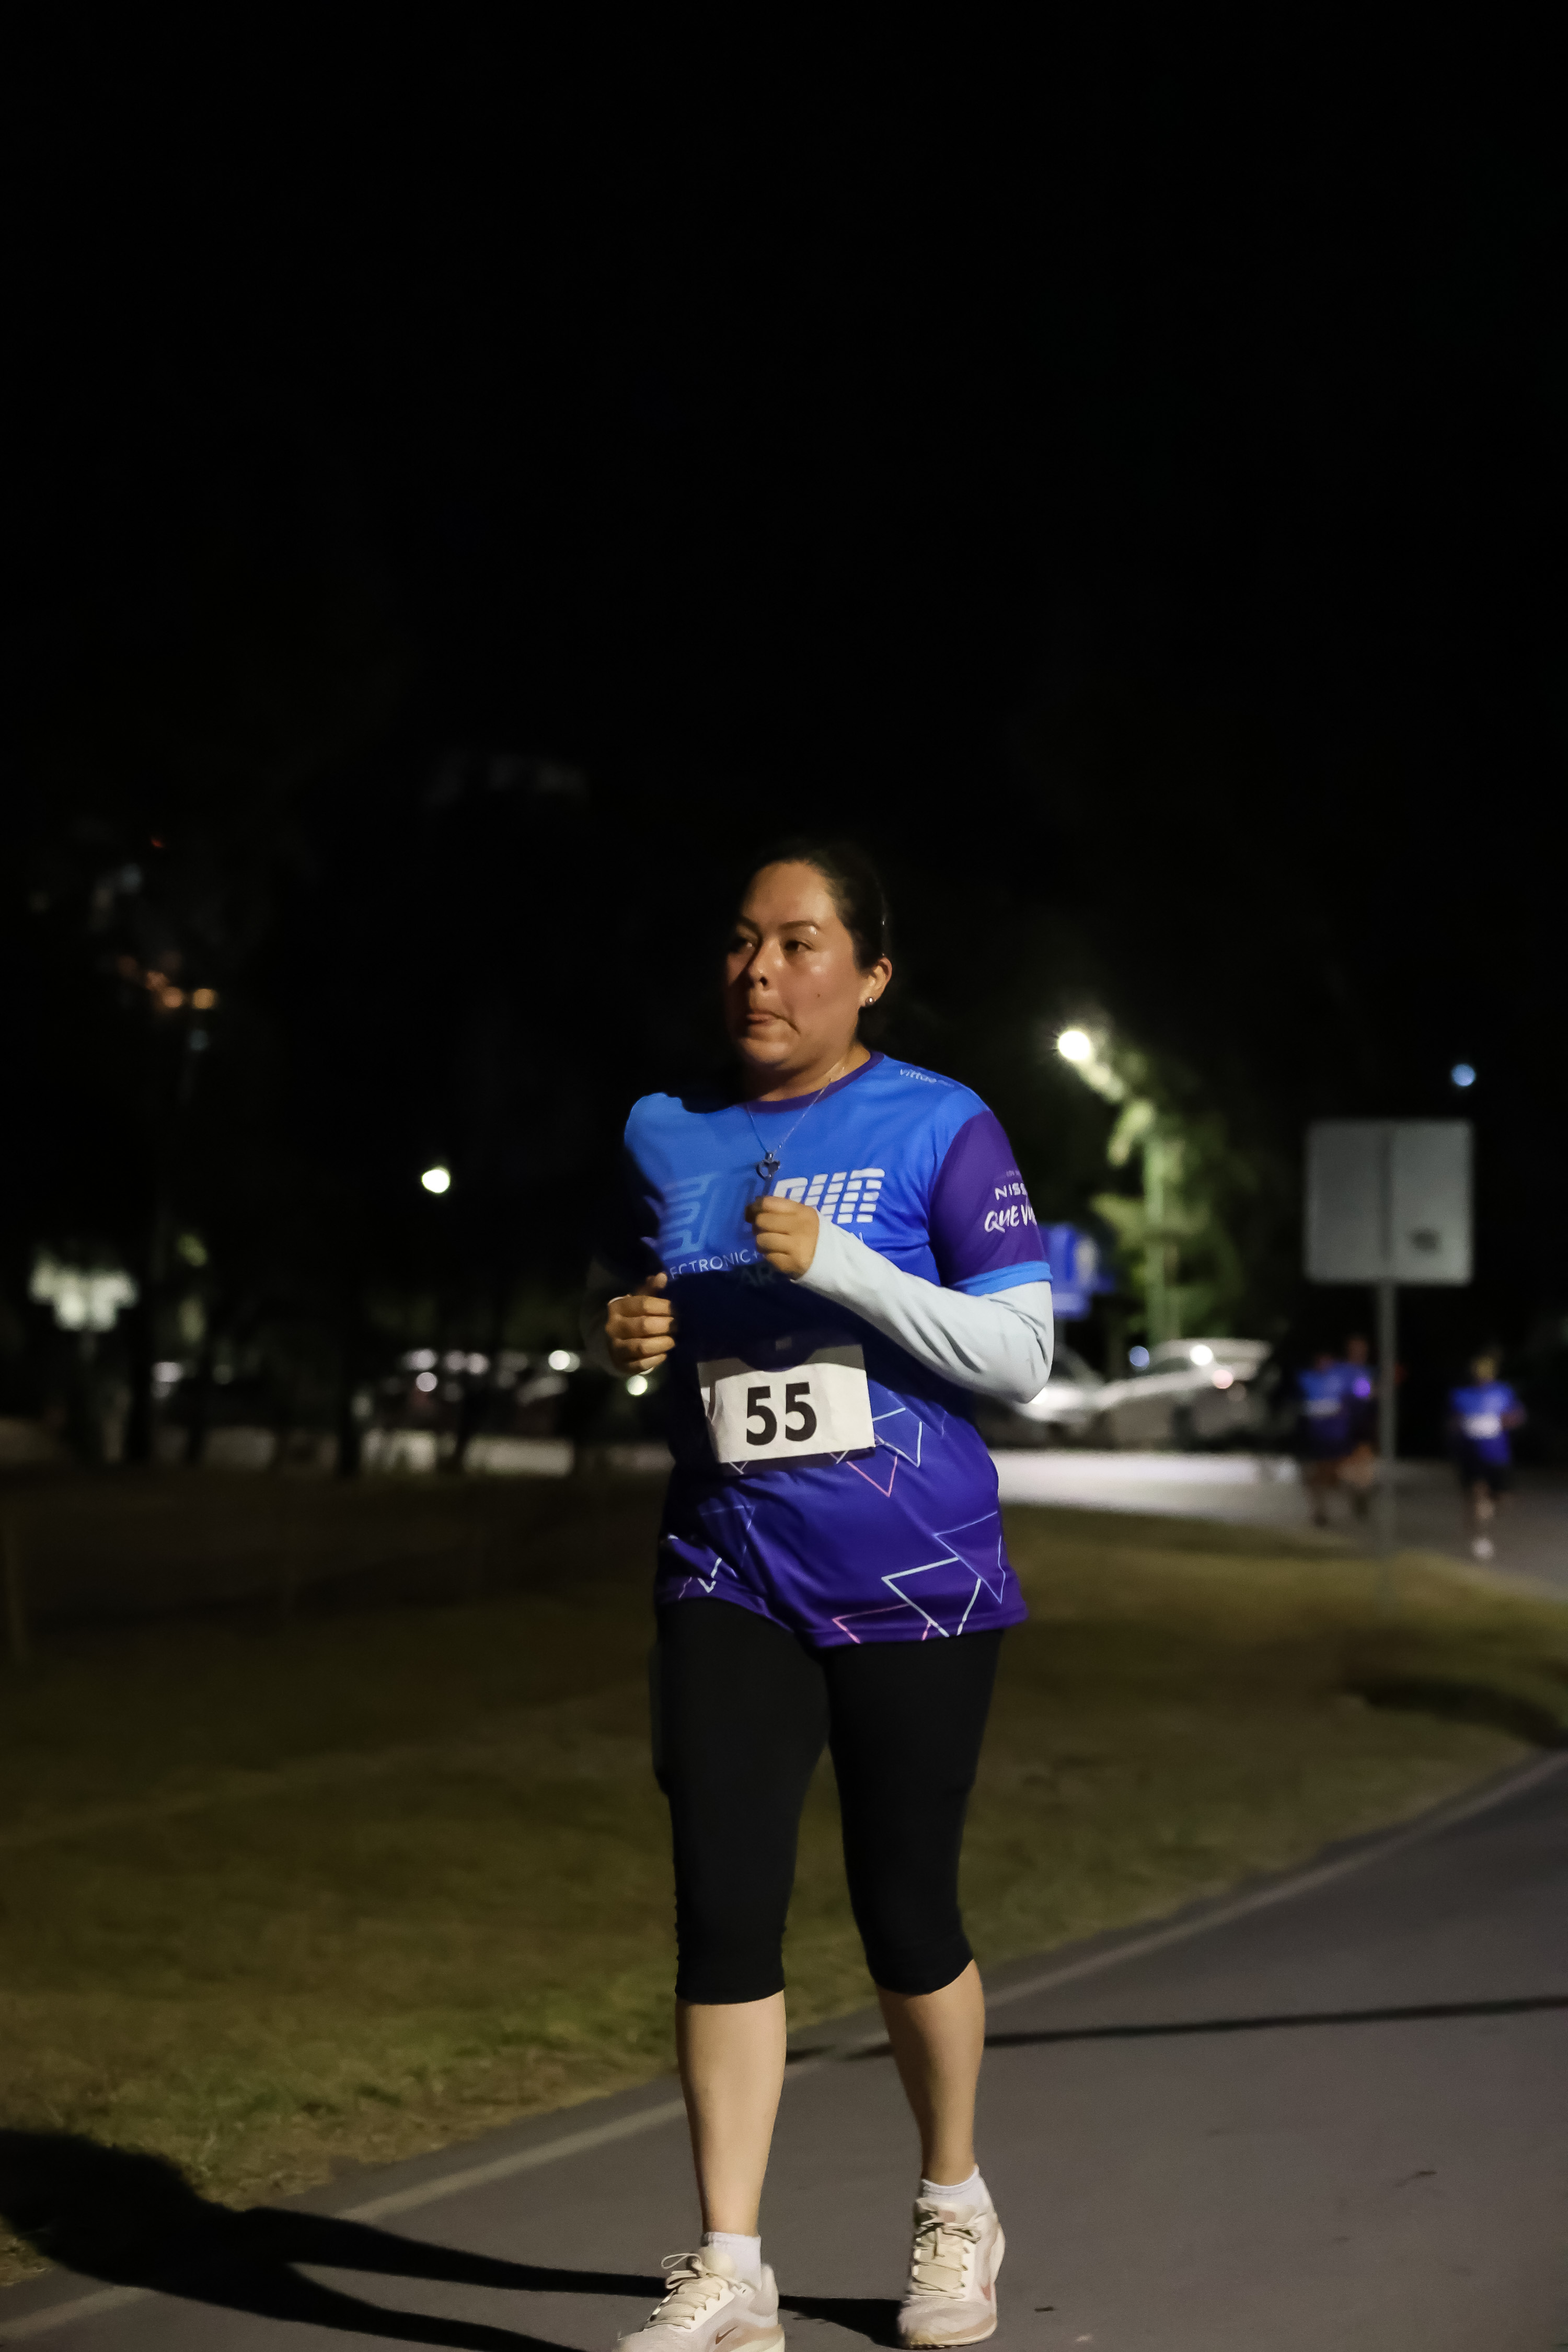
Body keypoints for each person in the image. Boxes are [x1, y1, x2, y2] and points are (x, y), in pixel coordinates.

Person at [589, 840, 1052, 2352]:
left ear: (871, 972)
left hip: (915, 1578)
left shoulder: (942, 1122)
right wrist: (632, 1338)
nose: (760, 969)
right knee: (722, 1903)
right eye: (743, 940)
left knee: (903, 1905)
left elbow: (1021, 1355)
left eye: (798, 942)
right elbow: (674, 1329)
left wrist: (843, 1263)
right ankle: (731, 2260)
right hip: (726, 1565)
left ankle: (953, 2199)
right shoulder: (669, 1133)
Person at [1446, 1353, 1524, 1561]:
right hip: (1471, 1455)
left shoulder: (1504, 1393)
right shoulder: (1461, 1395)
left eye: (1487, 1373)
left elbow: (1518, 1415)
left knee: (1502, 1500)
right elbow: (1453, 1422)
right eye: (1479, 1373)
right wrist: (1463, 1428)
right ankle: (1480, 1538)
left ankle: (1486, 1513)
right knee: (1477, 1496)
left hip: (1498, 1455)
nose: (1483, 1377)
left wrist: (1502, 1422)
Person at [1295, 1347, 1355, 1528]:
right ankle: (1320, 1511)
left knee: (1334, 1473)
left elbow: (1360, 1393)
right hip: (1315, 1435)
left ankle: (1357, 1497)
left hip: (1337, 1435)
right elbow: (1299, 1403)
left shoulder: (1341, 1378)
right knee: (1316, 1474)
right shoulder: (1306, 1378)